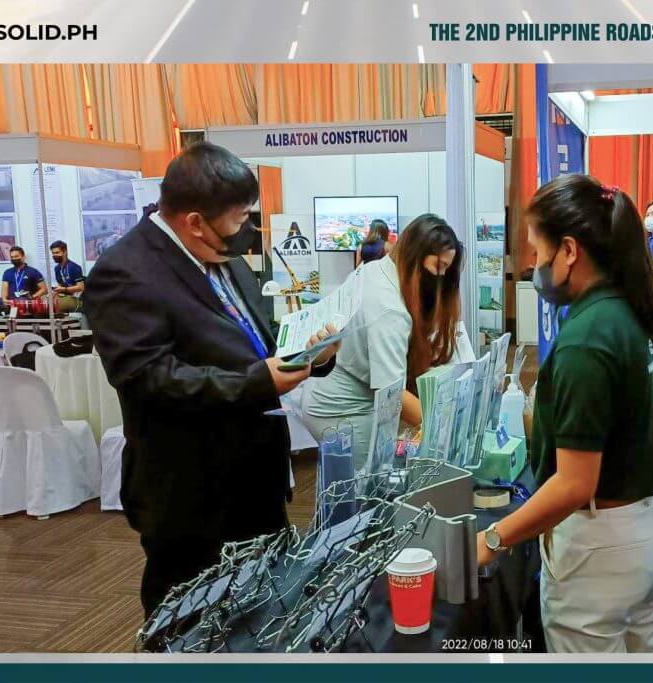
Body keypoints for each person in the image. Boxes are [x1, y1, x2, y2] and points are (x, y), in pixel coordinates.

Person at [83, 142, 340, 617]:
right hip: (191, 494)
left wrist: (311, 354)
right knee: (189, 622)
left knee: (260, 614)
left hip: (255, 479)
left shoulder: (223, 253)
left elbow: (257, 339)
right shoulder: (124, 272)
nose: (246, 228)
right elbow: (149, 378)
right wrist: (258, 383)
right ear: (195, 221)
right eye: (240, 218)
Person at [474, 174, 653, 653]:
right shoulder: (638, 308)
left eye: (537, 250)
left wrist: (493, 539)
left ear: (568, 250)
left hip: (600, 551)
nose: (533, 265)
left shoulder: (588, 336)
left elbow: (574, 484)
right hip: (650, 529)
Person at [302, 214, 463, 471]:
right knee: (365, 484)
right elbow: (393, 395)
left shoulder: (378, 269)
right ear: (416, 254)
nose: (441, 275)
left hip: (339, 392)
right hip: (342, 409)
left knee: (348, 481)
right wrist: (446, 430)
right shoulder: (389, 310)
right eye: (439, 266)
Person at [50, 240, 85, 314]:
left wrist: (64, 289)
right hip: (65, 296)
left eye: (57, 252)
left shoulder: (75, 267)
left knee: (55, 304)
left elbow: (81, 287)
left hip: (76, 298)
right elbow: (60, 286)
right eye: (53, 253)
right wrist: (53, 294)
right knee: (44, 301)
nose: (54, 255)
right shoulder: (57, 268)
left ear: (65, 252)